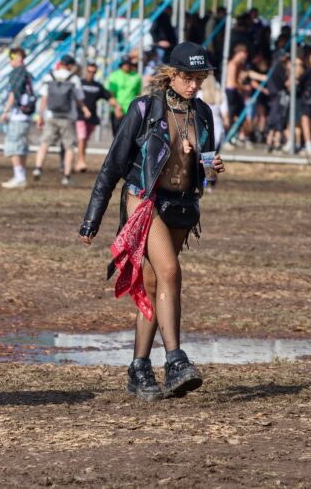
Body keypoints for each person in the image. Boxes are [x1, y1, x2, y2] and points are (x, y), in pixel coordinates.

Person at [80, 41, 225, 402]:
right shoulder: (145, 108)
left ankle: (139, 368)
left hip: (181, 206)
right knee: (170, 272)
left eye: (200, 78)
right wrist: (92, 218)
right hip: (144, 201)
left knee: (152, 283)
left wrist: (211, 167)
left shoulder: (203, 113)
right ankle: (176, 360)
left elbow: (207, 172)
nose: (194, 85)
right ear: (171, 75)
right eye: (188, 77)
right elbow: (112, 166)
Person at [32, 55, 90, 186]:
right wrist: (85, 110)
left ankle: (38, 168)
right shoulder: (74, 78)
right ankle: (66, 176)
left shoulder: (49, 76)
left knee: (44, 143)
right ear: (70, 65)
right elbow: (79, 99)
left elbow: (44, 98)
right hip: (68, 117)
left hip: (51, 115)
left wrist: (40, 116)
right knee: (69, 147)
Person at [75, 61, 120, 173]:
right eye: (89, 71)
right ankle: (81, 161)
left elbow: (108, 96)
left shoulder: (97, 86)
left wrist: (117, 107)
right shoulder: (79, 84)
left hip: (92, 117)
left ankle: (81, 159)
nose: (91, 74)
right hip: (80, 116)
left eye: (93, 72)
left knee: (85, 139)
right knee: (81, 138)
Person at [0, 47, 35, 189]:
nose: (10, 61)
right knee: (22, 146)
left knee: (13, 146)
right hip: (26, 116)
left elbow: (13, 93)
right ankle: (21, 176)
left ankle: (19, 176)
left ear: (19, 58)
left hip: (18, 115)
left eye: (11, 58)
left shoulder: (17, 73)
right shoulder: (27, 73)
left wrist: (5, 111)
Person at [107, 56, 142, 135]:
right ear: (121, 65)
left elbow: (138, 94)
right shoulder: (114, 75)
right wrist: (116, 108)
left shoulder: (136, 77)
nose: (127, 65)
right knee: (117, 135)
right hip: (117, 110)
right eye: (125, 64)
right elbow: (111, 94)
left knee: (129, 135)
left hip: (131, 111)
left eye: (128, 63)